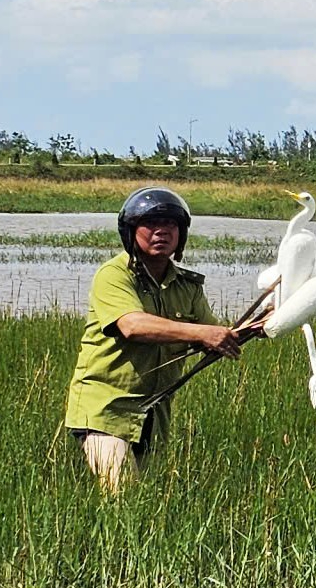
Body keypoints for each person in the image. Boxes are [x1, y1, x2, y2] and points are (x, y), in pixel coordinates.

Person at [63, 186, 240, 492]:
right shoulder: (114, 275)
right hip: (106, 410)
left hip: (154, 415)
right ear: (131, 231)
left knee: (146, 499)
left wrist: (266, 322)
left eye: (171, 224)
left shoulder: (187, 286)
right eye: (150, 223)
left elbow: (214, 335)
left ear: (182, 233)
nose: (162, 231)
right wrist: (202, 333)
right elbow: (132, 325)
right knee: (123, 494)